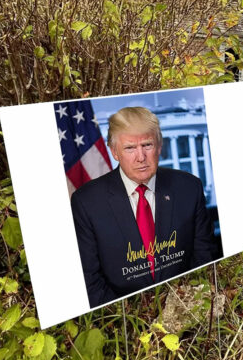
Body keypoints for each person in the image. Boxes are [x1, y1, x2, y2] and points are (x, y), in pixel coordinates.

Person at [70, 106, 220, 308]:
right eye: (130, 148)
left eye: (147, 145)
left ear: (159, 146)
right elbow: (90, 280)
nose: (140, 157)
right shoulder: (86, 201)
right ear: (114, 151)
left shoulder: (189, 187)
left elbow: (204, 257)